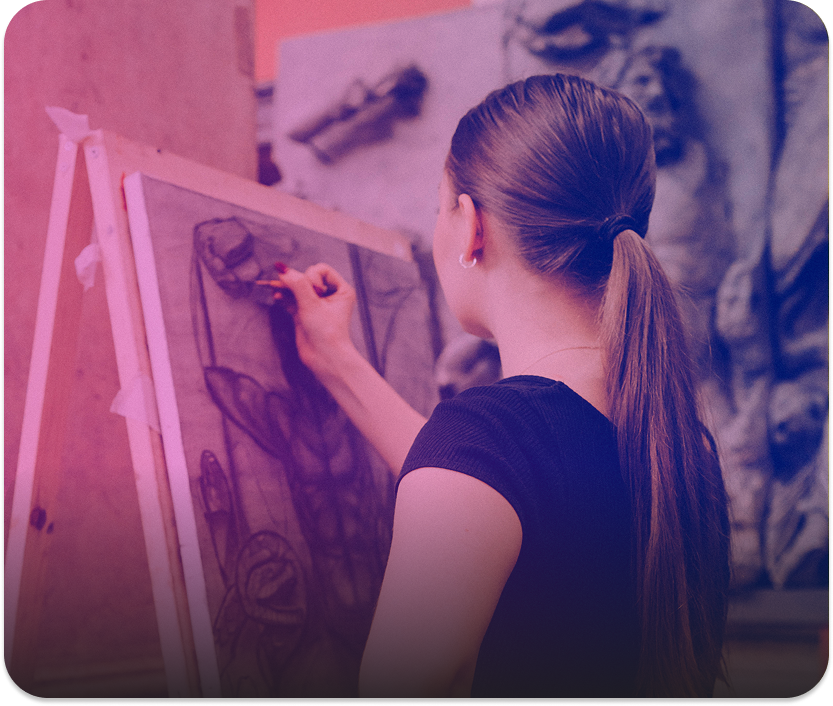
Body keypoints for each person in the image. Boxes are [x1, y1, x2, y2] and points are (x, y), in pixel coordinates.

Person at [273, 73, 730, 698]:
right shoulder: (679, 445)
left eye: (439, 207)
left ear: (471, 227)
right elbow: (501, 489)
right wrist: (337, 361)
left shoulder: (490, 437)